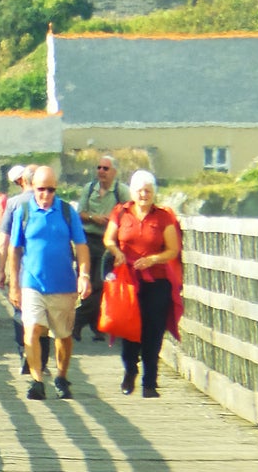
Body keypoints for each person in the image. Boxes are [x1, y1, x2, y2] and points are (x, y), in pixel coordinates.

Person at [7, 165, 91, 400]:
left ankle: (61, 377)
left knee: (63, 335)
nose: (46, 195)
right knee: (32, 330)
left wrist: (83, 276)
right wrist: (14, 284)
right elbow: (15, 250)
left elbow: (81, 246)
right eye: (41, 189)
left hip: (63, 285)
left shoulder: (66, 211)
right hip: (32, 283)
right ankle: (36, 381)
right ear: (32, 187)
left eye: (51, 190)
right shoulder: (23, 211)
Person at [104, 169, 184, 398]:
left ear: (153, 193)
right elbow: (109, 238)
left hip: (157, 281)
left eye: (148, 190)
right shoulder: (121, 213)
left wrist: (153, 259)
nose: (144, 194)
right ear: (133, 192)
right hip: (128, 281)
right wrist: (116, 252)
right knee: (129, 328)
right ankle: (130, 369)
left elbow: (172, 249)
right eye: (140, 190)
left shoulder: (162, 217)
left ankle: (150, 381)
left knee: (153, 331)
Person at [0, 164, 49, 375]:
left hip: (23, 270)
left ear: (23, 181)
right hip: (47, 271)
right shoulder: (53, 203)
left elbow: (4, 241)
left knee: (21, 312)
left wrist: (2, 270)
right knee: (44, 317)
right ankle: (41, 363)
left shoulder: (14, 203)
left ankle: (25, 353)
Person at [73, 155, 129, 341]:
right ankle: (93, 325)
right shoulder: (89, 189)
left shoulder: (121, 192)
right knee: (89, 283)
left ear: (114, 172)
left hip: (108, 243)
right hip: (88, 239)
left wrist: (114, 222)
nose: (101, 171)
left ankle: (79, 321)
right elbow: (79, 213)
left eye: (106, 168)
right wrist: (92, 218)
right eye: (99, 168)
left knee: (102, 284)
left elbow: (130, 214)